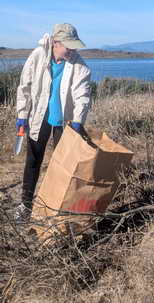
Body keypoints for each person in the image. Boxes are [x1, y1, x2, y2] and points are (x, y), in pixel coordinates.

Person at [14, 23, 91, 222]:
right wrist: (22, 114)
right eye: (69, 45)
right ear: (56, 43)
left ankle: (56, 207)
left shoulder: (79, 65)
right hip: (39, 117)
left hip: (64, 122)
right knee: (33, 161)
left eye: (74, 46)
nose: (72, 50)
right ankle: (25, 204)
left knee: (62, 166)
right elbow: (25, 86)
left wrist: (77, 121)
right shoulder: (38, 56)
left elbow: (82, 95)